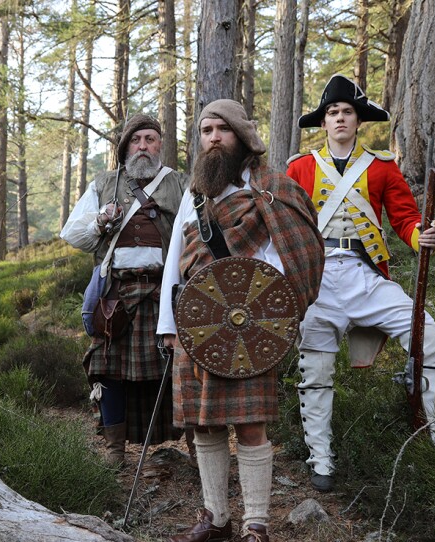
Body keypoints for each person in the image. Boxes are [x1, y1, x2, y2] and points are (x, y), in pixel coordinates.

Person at [158, 99, 324, 542]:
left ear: (242, 137)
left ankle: (256, 524)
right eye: (206, 130)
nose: (213, 137)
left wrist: (273, 319)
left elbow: (294, 260)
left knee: (251, 425)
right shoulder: (195, 195)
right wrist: (169, 328)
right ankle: (215, 517)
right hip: (197, 327)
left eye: (222, 129)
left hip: (250, 333)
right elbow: (173, 264)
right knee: (204, 424)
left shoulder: (273, 190)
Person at [286, 74, 435, 493]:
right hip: (318, 281)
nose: (340, 118)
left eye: (346, 112)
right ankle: (320, 457)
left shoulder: (382, 167)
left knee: (431, 337)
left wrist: (421, 236)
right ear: (322, 123)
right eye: (332, 113)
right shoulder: (299, 167)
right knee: (315, 369)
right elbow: (284, 224)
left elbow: (403, 216)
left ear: (358, 121)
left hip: (366, 277)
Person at [61, 114, 190, 467]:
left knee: (167, 372)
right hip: (114, 295)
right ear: (125, 147)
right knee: (109, 370)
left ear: (160, 144)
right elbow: (73, 235)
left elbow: (197, 234)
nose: (144, 146)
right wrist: (101, 222)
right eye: (137, 140)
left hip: (165, 295)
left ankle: (178, 450)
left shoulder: (180, 184)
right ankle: (115, 451)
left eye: (150, 139)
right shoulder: (103, 183)